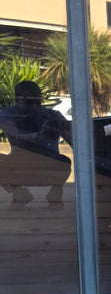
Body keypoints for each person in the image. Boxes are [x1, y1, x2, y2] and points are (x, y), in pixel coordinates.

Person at [0, 80, 73, 208]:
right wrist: (40, 135)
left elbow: (74, 141)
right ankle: (19, 193)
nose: (34, 106)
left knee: (65, 161)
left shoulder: (52, 115)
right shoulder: (8, 113)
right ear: (17, 100)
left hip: (47, 166)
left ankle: (55, 192)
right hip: (21, 165)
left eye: (37, 102)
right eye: (29, 102)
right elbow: (14, 136)